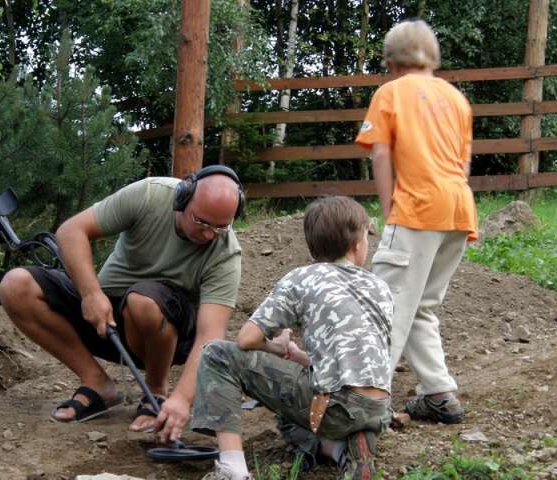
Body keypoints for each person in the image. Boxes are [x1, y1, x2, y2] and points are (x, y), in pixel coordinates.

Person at [0, 165, 243, 440]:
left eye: (221, 226)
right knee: (15, 285)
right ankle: (97, 383)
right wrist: (91, 294)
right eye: (202, 222)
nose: (209, 234)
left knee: (143, 301)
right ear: (182, 199)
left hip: (166, 333)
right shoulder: (150, 195)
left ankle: (157, 391)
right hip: (105, 319)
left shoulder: (226, 254)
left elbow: (210, 337)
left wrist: (181, 399)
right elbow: (71, 231)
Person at [189, 196, 394, 480]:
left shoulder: (301, 279)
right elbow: (358, 356)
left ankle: (233, 469)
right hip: (378, 408)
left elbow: (247, 339)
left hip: (335, 408)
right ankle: (343, 450)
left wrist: (276, 347)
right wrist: (302, 359)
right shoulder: (380, 287)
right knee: (312, 401)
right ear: (358, 242)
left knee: (217, 354)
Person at [355, 19, 478, 424]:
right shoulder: (457, 99)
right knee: (421, 306)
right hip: (458, 210)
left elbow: (380, 154)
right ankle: (439, 393)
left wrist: (391, 211)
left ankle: (367, 404)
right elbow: (462, 163)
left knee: (387, 306)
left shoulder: (390, 92)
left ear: (391, 61)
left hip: (417, 210)